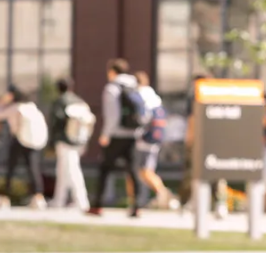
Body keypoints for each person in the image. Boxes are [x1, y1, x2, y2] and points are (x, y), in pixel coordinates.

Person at [89, 58, 144, 216]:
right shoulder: (134, 86)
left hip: (116, 135)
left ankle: (97, 205)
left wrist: (105, 134)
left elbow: (112, 115)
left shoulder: (112, 88)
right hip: (133, 134)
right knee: (133, 170)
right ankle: (137, 206)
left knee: (105, 169)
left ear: (112, 71)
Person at [0, 88, 49, 208]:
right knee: (33, 168)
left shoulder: (14, 108)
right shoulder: (32, 107)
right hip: (32, 141)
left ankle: (5, 197)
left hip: (19, 140)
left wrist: (1, 102)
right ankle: (38, 196)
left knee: (11, 168)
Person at [129, 70, 177, 215]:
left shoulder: (139, 96)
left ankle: (159, 195)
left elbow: (142, 118)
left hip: (143, 139)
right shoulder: (154, 96)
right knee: (146, 170)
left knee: (140, 171)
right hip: (155, 138)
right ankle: (155, 196)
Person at [48, 77, 94, 209]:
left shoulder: (61, 102)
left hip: (64, 141)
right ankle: (59, 200)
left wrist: (52, 142)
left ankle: (81, 201)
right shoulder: (80, 101)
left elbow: (55, 123)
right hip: (79, 141)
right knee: (63, 170)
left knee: (72, 170)